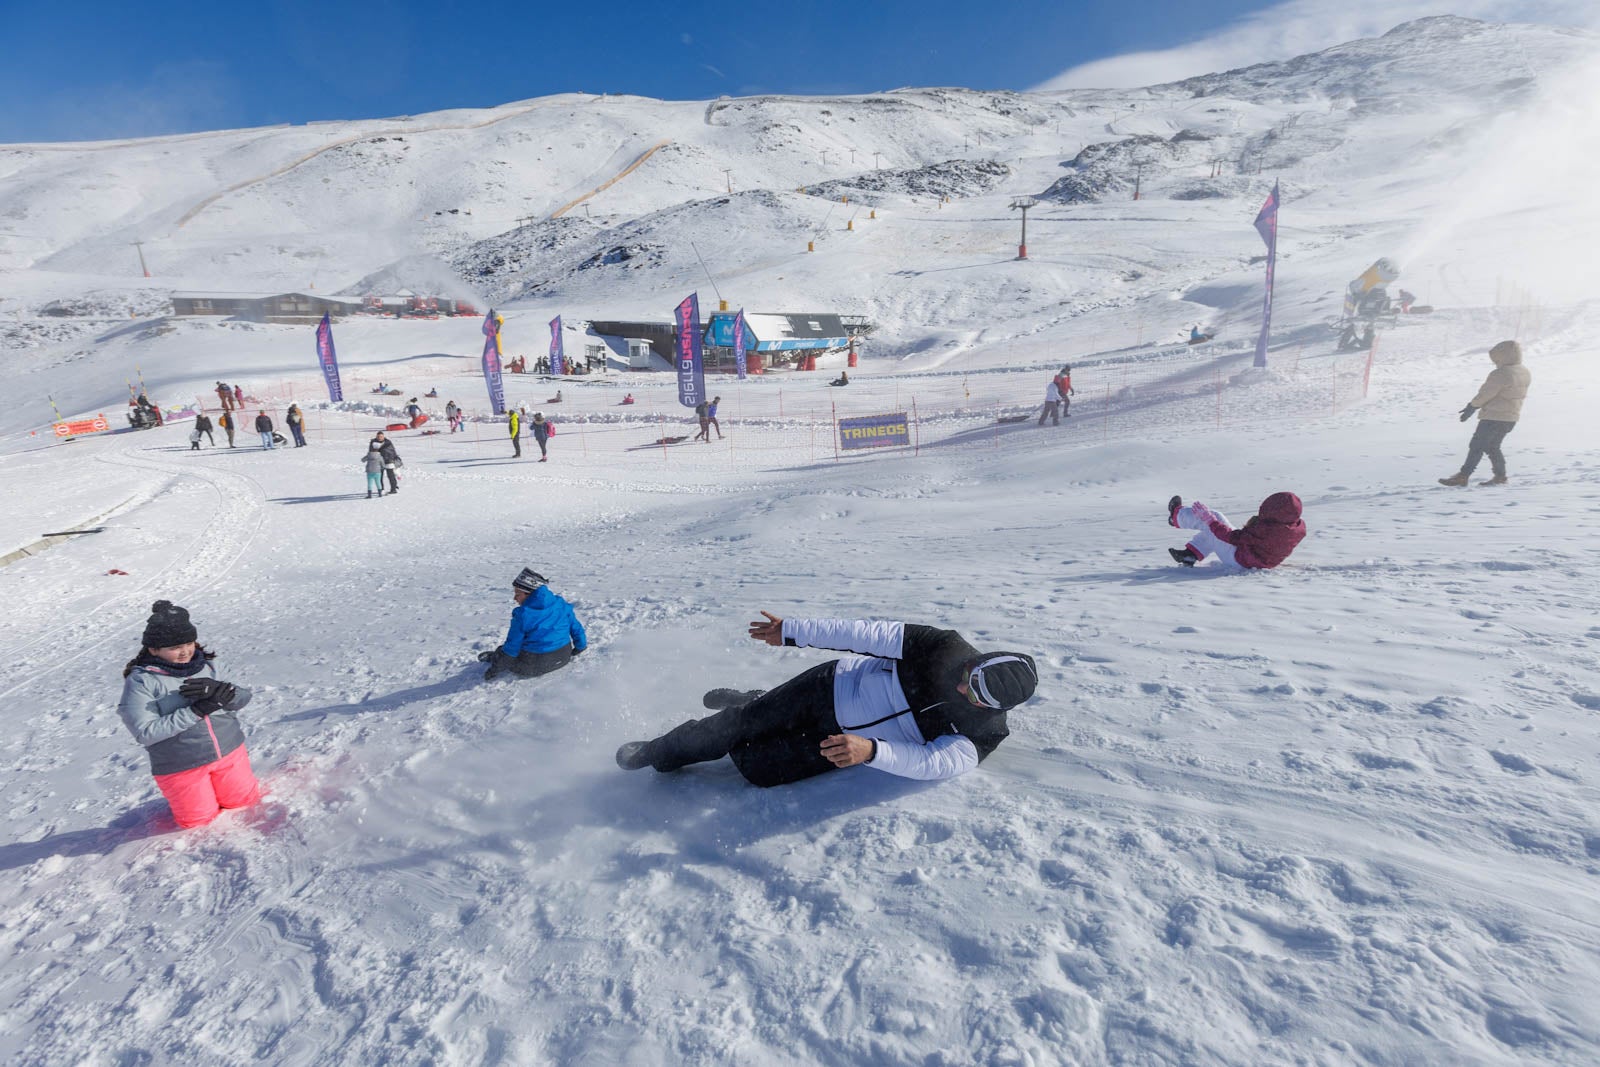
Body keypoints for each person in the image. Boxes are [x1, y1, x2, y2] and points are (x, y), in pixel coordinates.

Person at [616, 612, 1038, 788]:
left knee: (755, 769)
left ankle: (757, 700)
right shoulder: (943, 646)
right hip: (830, 688)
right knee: (738, 727)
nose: (965, 692)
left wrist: (872, 751)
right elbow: (864, 635)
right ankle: (660, 751)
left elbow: (936, 764)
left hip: (847, 742)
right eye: (972, 679)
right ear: (978, 660)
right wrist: (794, 630)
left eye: (979, 698)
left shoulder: (983, 732)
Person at [115, 600, 261, 828]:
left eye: (188, 643)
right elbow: (145, 732)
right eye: (174, 647)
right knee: (198, 824)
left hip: (229, 752)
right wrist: (196, 711)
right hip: (182, 766)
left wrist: (222, 693)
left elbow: (244, 699)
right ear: (154, 649)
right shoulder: (142, 681)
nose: (184, 652)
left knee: (245, 803)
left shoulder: (210, 666)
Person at [1439, 340, 1531, 487]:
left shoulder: (1501, 373)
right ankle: (1500, 477)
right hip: (1511, 417)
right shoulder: (1524, 371)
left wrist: (1472, 406)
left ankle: (1463, 476)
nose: (1495, 362)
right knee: (1492, 446)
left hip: (1494, 417)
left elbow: (1486, 394)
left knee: (1477, 445)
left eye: (1497, 358)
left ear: (1504, 356)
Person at [477, 568, 588, 681]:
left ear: (529, 594)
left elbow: (511, 649)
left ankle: (494, 658)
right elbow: (576, 628)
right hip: (564, 656)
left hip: (535, 666)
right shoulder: (560, 603)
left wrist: (494, 669)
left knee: (503, 650)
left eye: (518, 594)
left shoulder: (523, 615)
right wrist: (580, 647)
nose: (514, 598)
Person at [1166, 492, 1305, 569]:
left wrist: (1209, 520)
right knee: (1214, 528)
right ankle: (1190, 554)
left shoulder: (1268, 530)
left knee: (1215, 519)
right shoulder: (1296, 527)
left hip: (1240, 560)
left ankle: (1176, 516)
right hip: (1256, 559)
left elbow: (1231, 537)